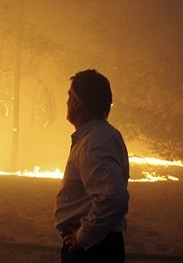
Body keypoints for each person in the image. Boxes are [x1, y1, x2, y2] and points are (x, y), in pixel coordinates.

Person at [54, 69, 129, 263]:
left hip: (93, 250)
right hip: (98, 243)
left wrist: (82, 237)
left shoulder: (94, 143)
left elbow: (113, 198)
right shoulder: (102, 135)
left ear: (78, 104)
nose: (67, 101)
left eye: (70, 96)